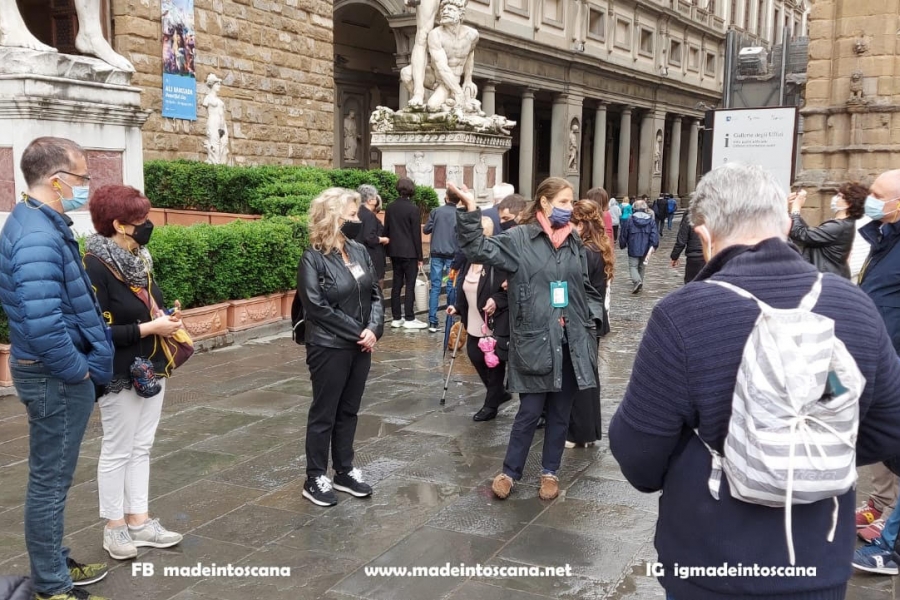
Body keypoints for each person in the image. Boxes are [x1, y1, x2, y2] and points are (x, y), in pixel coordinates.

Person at [609, 163, 900, 600]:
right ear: (785, 224)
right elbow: (889, 432)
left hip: (709, 562)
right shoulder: (853, 305)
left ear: (704, 235)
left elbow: (639, 458)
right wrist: (806, 454)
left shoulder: (684, 314)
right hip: (817, 558)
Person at [0, 137, 114, 600]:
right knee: (49, 482)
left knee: (52, 479)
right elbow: (44, 324)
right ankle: (51, 585)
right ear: (56, 180)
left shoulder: (37, 221)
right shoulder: (37, 235)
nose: (86, 186)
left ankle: (53, 562)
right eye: (83, 178)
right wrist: (80, 371)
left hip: (54, 374)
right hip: (55, 377)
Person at [450, 178, 603, 502]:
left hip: (571, 343)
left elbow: (587, 289)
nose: (569, 208)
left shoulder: (574, 241)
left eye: (571, 202)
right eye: (563, 201)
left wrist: (593, 320)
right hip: (535, 342)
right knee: (529, 413)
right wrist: (470, 210)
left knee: (561, 414)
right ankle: (510, 472)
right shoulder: (520, 239)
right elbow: (478, 248)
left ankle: (550, 472)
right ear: (544, 203)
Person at [83, 185, 185, 561]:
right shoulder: (93, 264)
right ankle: (114, 527)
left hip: (152, 366)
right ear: (118, 224)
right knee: (117, 449)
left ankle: (139, 520)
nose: (146, 226)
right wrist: (148, 330)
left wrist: (164, 318)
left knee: (142, 446)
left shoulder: (140, 258)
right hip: (120, 370)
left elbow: (146, 307)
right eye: (139, 221)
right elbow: (95, 331)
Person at [298, 188, 384, 507]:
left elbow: (375, 293)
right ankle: (315, 475)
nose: (356, 220)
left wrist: (374, 329)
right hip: (329, 346)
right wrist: (358, 331)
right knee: (325, 412)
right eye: (350, 215)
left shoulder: (359, 251)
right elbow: (317, 307)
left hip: (361, 345)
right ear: (332, 217)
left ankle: (344, 470)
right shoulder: (313, 258)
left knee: (349, 410)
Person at [850, 169, 900, 571]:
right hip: (880, 359)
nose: (871, 199)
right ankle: (882, 511)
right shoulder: (883, 238)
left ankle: (893, 544)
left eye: (879, 195)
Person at [447, 216, 512, 422]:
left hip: (493, 321)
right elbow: (464, 287)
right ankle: (498, 392)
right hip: (473, 320)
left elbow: (509, 290)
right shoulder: (467, 258)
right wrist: (457, 306)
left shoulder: (496, 259)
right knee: (475, 355)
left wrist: (496, 300)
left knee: (494, 363)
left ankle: (491, 404)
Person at [565, 200, 613, 449]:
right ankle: (588, 430)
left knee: (580, 377)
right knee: (588, 376)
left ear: (581, 224)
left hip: (583, 319)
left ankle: (578, 433)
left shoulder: (584, 251)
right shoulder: (598, 247)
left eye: (571, 223)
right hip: (593, 320)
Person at [788, 185, 865, 278]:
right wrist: (793, 210)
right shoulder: (842, 224)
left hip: (827, 277)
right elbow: (811, 235)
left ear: (848, 204)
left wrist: (796, 209)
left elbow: (801, 234)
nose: (835, 198)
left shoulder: (838, 226)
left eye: (840, 196)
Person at [383, 177, 427, 329]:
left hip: (395, 251)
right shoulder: (413, 208)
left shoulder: (390, 207)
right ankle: (409, 317)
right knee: (409, 284)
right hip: (410, 252)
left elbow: (386, 229)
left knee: (396, 283)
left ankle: (396, 317)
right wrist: (420, 256)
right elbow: (416, 234)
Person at [423, 190, 461, 332]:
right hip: (453, 254)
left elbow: (426, 230)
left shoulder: (436, 211)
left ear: (446, 197)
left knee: (436, 287)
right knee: (451, 286)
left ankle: (432, 321)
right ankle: (449, 322)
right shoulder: (460, 214)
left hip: (436, 253)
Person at [618, 199, 659, 294]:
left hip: (633, 247)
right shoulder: (651, 221)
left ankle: (637, 281)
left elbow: (624, 234)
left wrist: (622, 244)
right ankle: (639, 283)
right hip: (646, 248)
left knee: (633, 266)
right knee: (642, 266)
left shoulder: (630, 220)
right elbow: (654, 234)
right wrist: (654, 246)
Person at [354, 185, 388, 288]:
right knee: (377, 287)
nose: (376, 199)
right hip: (372, 257)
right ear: (369, 200)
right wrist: (383, 239)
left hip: (358, 255)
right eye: (374, 197)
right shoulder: (369, 215)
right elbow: (370, 238)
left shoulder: (357, 212)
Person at [670, 212, 706, 284]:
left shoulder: (689, 218)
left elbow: (681, 241)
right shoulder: (715, 218)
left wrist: (674, 257)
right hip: (711, 257)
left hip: (694, 258)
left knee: (691, 284)